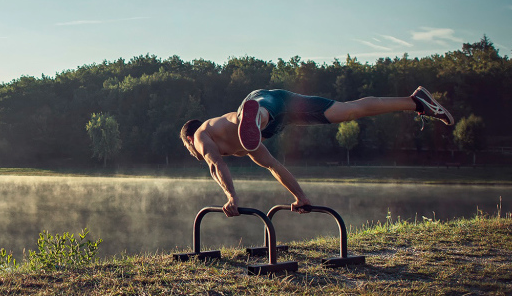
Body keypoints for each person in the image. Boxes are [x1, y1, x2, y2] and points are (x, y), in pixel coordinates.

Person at [179, 87, 453, 217]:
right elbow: (274, 166)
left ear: (189, 139)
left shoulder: (202, 134)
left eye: (189, 147)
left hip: (260, 102)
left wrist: (231, 197)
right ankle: (416, 102)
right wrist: (300, 197)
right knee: (349, 110)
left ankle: (256, 116)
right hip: (285, 110)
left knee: (253, 116)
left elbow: (215, 165)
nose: (194, 151)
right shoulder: (244, 145)